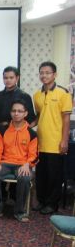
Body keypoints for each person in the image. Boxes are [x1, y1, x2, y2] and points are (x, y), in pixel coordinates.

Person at [0, 100, 37, 222]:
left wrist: (27, 164)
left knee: (24, 178)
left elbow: (34, 155)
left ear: (25, 113)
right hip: (5, 163)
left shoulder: (31, 133)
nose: (16, 113)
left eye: (20, 111)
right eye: (14, 111)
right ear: (10, 113)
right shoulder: (3, 130)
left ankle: (20, 212)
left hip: (23, 164)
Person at [33, 61, 72, 215]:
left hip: (56, 142)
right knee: (41, 174)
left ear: (54, 74)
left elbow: (66, 119)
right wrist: (26, 125)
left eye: (47, 73)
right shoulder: (37, 95)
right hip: (40, 142)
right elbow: (39, 116)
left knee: (54, 176)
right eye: (41, 73)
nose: (44, 75)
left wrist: (64, 140)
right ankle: (41, 200)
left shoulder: (63, 93)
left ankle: (52, 204)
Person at [0, 66, 36, 132]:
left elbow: (30, 119)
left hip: (17, 133)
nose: (8, 80)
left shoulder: (25, 96)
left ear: (17, 78)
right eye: (5, 78)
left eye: (11, 78)